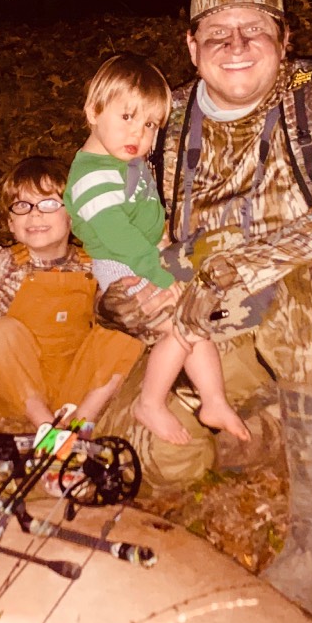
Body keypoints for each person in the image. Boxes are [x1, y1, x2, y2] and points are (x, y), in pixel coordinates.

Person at [94, 0, 312, 614]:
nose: (236, 46)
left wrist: (235, 264)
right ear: (191, 46)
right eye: (217, 31)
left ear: (285, 39)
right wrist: (125, 295)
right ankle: (275, 432)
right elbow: (116, 225)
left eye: (255, 29)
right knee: (154, 451)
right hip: (211, 327)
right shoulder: (161, 123)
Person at [65, 54, 250, 446]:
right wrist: (163, 277)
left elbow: (144, 217)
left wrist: (165, 242)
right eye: (128, 117)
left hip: (148, 254)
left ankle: (213, 400)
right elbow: (123, 241)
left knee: (193, 320)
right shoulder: (92, 178)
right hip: (125, 268)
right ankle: (149, 402)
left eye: (150, 124)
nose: (141, 134)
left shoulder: (123, 157)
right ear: (93, 112)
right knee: (181, 325)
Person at [0, 156, 143, 430]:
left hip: (76, 386)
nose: (35, 214)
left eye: (50, 204)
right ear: (10, 223)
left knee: (125, 324)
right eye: (22, 206)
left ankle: (81, 424)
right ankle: (46, 427)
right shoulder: (0, 264)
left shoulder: (94, 264)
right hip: (19, 392)